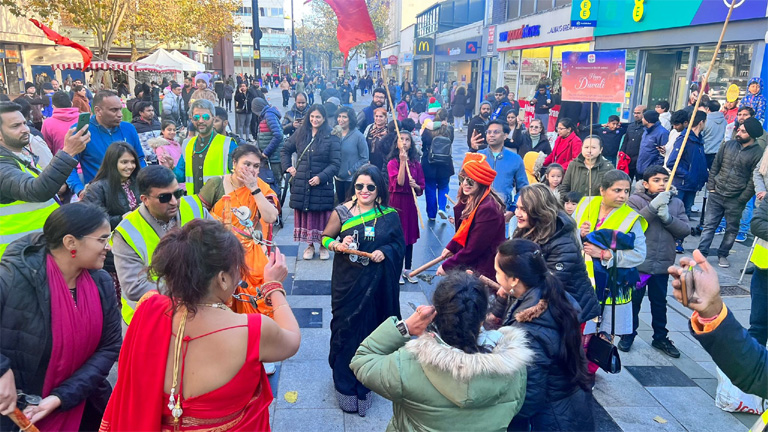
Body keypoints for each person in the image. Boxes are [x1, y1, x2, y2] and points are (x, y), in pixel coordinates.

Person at [99, 219, 300, 431]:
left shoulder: (149, 309)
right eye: (237, 269)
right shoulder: (254, 330)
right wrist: (273, 287)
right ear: (222, 279)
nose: (239, 276)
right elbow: (292, 339)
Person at [351, 272, 531, 431]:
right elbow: (515, 407)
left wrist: (404, 327)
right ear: (483, 317)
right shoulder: (513, 366)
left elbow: (362, 360)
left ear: (435, 314)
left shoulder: (408, 365)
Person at [0, 203, 121, 431]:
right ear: (70, 242)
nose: (108, 246)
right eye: (102, 239)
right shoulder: (13, 277)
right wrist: (2, 371)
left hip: (81, 404)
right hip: (15, 415)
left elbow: (109, 347)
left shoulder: (101, 281)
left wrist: (60, 397)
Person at [321, 164, 405, 416]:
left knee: (370, 333)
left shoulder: (389, 215)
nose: (364, 190)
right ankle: (344, 386)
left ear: (379, 189)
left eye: (370, 186)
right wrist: (338, 245)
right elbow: (325, 237)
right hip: (347, 284)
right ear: (354, 187)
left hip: (376, 287)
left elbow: (398, 244)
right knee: (345, 331)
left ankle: (365, 384)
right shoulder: (342, 211)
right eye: (359, 186)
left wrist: (385, 251)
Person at [493, 239, 594, 431]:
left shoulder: (530, 329)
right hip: (570, 403)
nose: (495, 276)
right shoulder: (549, 292)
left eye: (498, 272)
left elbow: (529, 397)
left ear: (514, 280)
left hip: (551, 419)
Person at [112, 166, 213, 325]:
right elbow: (134, 287)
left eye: (178, 193)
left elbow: (217, 246)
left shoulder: (194, 206)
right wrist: (187, 289)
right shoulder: (127, 231)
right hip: (149, 321)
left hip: (195, 312)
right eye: (164, 197)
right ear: (145, 199)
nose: (173, 202)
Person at [0, 102, 90, 256]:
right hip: (18, 260)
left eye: (24, 123)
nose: (25, 129)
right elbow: (36, 191)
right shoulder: (3, 165)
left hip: (37, 251)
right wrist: (68, 152)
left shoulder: (21, 156)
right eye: (15, 126)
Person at [573, 170, 648, 344]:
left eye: (626, 191)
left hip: (611, 286)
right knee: (576, 335)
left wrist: (606, 255)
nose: (623, 196)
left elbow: (639, 254)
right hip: (580, 282)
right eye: (617, 190)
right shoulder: (585, 204)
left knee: (602, 338)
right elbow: (566, 235)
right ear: (602, 190)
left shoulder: (631, 218)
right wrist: (579, 233)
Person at [623, 165, 690, 356]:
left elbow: (685, 229)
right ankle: (628, 334)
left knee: (659, 302)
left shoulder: (676, 203)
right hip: (640, 264)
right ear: (645, 184)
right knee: (634, 301)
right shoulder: (635, 200)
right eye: (656, 180)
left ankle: (660, 337)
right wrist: (652, 208)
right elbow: (631, 224)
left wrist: (668, 218)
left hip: (662, 264)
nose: (662, 184)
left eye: (665, 180)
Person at [510, 184, 600, 324]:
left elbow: (550, 284)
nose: (517, 213)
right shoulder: (526, 229)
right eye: (517, 207)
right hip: (547, 305)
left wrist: (512, 288)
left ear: (539, 211)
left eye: (524, 209)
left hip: (569, 310)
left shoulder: (562, 241)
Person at [198, 144, 279, 296]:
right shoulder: (216, 184)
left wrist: (254, 189)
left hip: (249, 255)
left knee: (256, 297)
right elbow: (198, 217)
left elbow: (270, 218)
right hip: (219, 252)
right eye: (246, 164)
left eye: (256, 166)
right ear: (234, 163)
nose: (251, 170)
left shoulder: (261, 187)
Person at [698, 118, 763, 268]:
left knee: (732, 229)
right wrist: (711, 186)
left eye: (743, 131)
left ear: (751, 134)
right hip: (717, 193)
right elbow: (715, 165)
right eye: (739, 129)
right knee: (709, 225)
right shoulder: (728, 145)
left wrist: (742, 198)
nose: (738, 132)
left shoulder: (758, 153)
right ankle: (701, 253)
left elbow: (753, 179)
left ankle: (723, 254)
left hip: (736, 198)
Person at [281, 104, 341, 261]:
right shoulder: (301, 132)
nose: (315, 120)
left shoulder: (332, 135)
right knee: (307, 214)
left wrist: (321, 177)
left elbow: (335, 163)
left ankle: (323, 245)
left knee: (322, 216)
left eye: (318, 117)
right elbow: (285, 149)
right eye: (312, 116)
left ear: (324, 118)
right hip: (302, 183)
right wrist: (288, 167)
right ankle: (309, 245)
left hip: (322, 185)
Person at [437, 153, 506, 279]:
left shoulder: (489, 209)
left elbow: (474, 248)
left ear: (481, 182)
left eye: (470, 181)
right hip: (472, 264)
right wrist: (451, 247)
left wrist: (448, 266)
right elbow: (463, 231)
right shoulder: (468, 199)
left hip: (484, 268)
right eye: (462, 178)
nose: (465, 184)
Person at [66, 91, 145, 198]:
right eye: (114, 110)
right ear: (98, 110)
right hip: (99, 196)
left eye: (120, 109)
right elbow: (68, 166)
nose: (120, 114)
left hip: (131, 194)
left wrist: (143, 182)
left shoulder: (129, 128)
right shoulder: (82, 131)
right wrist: (79, 190)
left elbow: (140, 159)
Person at [165, 99, 237, 195]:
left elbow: (238, 177)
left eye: (206, 117)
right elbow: (182, 176)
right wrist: (172, 167)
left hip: (221, 201)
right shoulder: (188, 144)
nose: (201, 121)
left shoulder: (228, 144)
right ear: (191, 119)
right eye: (196, 117)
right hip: (194, 202)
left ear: (213, 118)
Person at [471, 120, 529, 224]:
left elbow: (523, 188)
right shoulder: (478, 156)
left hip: (502, 213)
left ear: (505, 135)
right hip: (477, 212)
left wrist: (513, 210)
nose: (491, 135)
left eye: (496, 132)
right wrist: (472, 150)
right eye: (489, 132)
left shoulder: (515, 159)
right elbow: (464, 181)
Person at [387, 130, 425, 284]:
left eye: (407, 139)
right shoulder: (392, 163)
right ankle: (396, 269)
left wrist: (416, 186)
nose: (404, 142)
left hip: (410, 203)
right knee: (398, 235)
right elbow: (400, 182)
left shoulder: (416, 164)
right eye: (401, 139)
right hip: (397, 203)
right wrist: (402, 162)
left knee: (409, 236)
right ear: (396, 143)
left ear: (411, 143)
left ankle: (408, 269)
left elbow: (421, 187)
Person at [666, 110, 708, 218]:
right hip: (682, 185)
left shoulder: (699, 140)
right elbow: (671, 162)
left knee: (685, 216)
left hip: (692, 186)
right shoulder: (684, 139)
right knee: (676, 215)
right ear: (701, 122)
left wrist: (703, 177)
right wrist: (688, 175)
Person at [421, 108, 455, 221]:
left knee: (430, 188)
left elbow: (423, 143)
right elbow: (450, 142)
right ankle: (442, 208)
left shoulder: (428, 129)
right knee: (444, 186)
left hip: (429, 163)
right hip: (445, 163)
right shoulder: (449, 129)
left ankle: (431, 214)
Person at [334, 106, 369, 203]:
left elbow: (364, 158)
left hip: (351, 179)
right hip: (337, 177)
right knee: (340, 204)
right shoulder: (335, 134)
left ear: (350, 119)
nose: (341, 119)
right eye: (339, 116)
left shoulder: (358, 136)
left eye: (344, 117)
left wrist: (350, 171)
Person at [251, 97, 285, 195]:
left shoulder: (269, 115)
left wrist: (266, 152)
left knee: (275, 183)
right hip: (272, 156)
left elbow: (278, 135)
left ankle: (276, 203)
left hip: (275, 157)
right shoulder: (266, 115)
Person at [636, 109, 670, 177]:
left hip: (652, 172)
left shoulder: (663, 133)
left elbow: (663, 154)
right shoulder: (646, 130)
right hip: (640, 169)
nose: (642, 119)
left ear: (648, 120)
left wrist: (654, 168)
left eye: (643, 118)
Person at [623, 105, 647, 180]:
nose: (636, 115)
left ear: (644, 114)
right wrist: (622, 152)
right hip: (628, 158)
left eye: (638, 113)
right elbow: (626, 140)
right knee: (626, 180)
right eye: (635, 113)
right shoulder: (631, 126)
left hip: (640, 159)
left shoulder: (646, 127)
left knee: (639, 182)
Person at [701, 100, 726, 168]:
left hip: (706, 152)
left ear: (708, 109)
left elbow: (701, 135)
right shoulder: (724, 121)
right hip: (719, 153)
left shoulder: (705, 121)